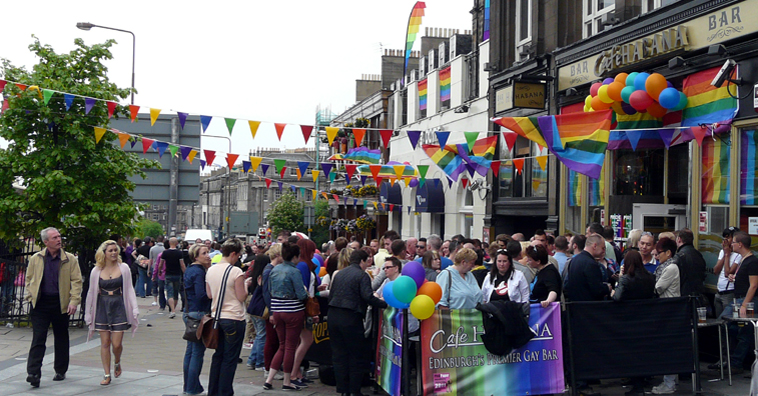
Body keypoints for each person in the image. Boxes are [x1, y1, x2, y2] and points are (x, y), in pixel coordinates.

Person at [24, 227, 83, 388]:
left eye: (59, 236)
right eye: (55, 237)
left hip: (60, 303)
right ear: (46, 242)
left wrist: (73, 301)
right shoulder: (36, 258)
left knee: (61, 337)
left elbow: (77, 282)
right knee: (38, 338)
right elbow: (29, 279)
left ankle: (60, 369)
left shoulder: (69, 259)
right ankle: (33, 373)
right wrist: (30, 296)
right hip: (40, 303)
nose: (59, 240)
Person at [328, 249, 388, 396]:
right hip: (350, 317)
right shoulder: (362, 275)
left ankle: (342, 390)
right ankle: (354, 391)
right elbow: (368, 296)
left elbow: (332, 294)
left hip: (333, 315)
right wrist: (384, 304)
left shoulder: (340, 273)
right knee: (356, 355)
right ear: (362, 261)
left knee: (339, 355)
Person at [84, 240, 139, 386]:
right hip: (102, 305)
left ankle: (117, 361)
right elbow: (91, 292)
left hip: (118, 305)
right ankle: (107, 374)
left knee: (116, 344)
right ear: (104, 253)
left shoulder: (124, 268)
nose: (114, 253)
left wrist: (134, 308)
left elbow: (129, 289)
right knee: (105, 343)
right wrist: (88, 313)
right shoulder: (96, 271)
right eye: (111, 250)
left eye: (115, 250)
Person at [205, 238, 247, 396]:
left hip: (217, 317)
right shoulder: (235, 271)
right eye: (238, 255)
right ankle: (225, 392)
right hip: (234, 318)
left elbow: (209, 294)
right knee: (230, 358)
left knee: (218, 356)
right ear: (234, 254)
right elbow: (241, 297)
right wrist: (247, 287)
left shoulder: (211, 270)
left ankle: (213, 391)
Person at [264, 242, 308, 391]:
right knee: (290, 347)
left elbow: (270, 290)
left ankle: (269, 379)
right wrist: (305, 291)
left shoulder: (274, 270)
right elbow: (301, 295)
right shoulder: (294, 272)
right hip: (293, 311)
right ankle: (287, 381)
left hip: (277, 311)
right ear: (295, 257)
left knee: (282, 346)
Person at [611, 250, 655, 396]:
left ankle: (636, 385)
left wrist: (618, 281)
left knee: (631, 352)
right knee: (642, 352)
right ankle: (641, 382)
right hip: (646, 319)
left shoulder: (626, 279)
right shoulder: (650, 277)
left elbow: (617, 297)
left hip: (628, 320)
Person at [721, 232, 758, 375]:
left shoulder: (752, 261)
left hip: (746, 301)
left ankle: (736, 362)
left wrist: (744, 305)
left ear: (740, 244)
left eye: (734, 242)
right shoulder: (743, 260)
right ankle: (732, 360)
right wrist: (734, 277)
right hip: (739, 299)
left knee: (742, 331)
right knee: (731, 327)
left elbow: (753, 285)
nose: (732, 244)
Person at [651, 237, 681, 394]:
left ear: (668, 253)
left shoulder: (671, 268)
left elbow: (657, 288)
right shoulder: (665, 267)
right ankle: (670, 381)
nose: (656, 256)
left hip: (670, 312)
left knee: (668, 348)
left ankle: (669, 384)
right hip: (667, 311)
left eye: (659, 253)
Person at [183, 243, 212, 396]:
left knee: (190, 351)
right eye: (204, 253)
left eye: (208, 252)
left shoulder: (190, 270)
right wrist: (212, 295)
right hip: (198, 314)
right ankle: (192, 387)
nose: (208, 255)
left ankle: (189, 385)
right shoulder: (199, 272)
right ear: (196, 256)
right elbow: (201, 295)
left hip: (189, 311)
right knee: (197, 352)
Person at [291, 238, 319, 387]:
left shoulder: (300, 265)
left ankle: (297, 373)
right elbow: (305, 290)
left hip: (300, 308)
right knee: (306, 340)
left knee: (300, 341)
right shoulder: (303, 266)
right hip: (304, 309)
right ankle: (294, 373)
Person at [564, 234, 611, 302]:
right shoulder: (591, 264)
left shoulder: (573, 260)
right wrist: (607, 288)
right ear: (594, 246)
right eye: (603, 248)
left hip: (575, 307)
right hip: (589, 307)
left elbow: (567, 286)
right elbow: (597, 290)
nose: (604, 251)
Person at [245, 254, 271, 371]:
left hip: (252, 306)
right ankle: (259, 362)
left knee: (258, 334)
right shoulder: (264, 275)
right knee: (262, 335)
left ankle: (252, 360)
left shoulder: (253, 274)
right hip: (260, 308)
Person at [714, 227, 741, 318]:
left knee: (727, 319)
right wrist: (725, 254)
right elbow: (716, 270)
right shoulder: (723, 252)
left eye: (728, 238)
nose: (725, 240)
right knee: (718, 320)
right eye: (724, 238)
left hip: (729, 292)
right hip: (719, 291)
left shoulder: (739, 254)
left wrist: (727, 255)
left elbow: (728, 273)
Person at [674, 229, 707, 298]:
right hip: (698, 292)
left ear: (679, 239)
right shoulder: (698, 254)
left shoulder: (679, 256)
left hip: (684, 294)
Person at [159, 238, 185, 319]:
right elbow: (182, 265)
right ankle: (173, 309)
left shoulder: (165, 253)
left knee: (170, 293)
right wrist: (186, 273)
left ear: (169, 243)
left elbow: (161, 263)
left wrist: (159, 271)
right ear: (177, 243)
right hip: (177, 274)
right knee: (176, 293)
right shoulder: (179, 253)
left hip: (168, 274)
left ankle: (172, 310)